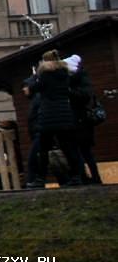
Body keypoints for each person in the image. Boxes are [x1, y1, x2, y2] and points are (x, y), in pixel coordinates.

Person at [26, 50, 83, 188]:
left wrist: (34, 78)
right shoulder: (65, 75)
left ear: (45, 62)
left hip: (49, 117)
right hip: (65, 115)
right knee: (68, 148)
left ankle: (40, 179)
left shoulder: (45, 75)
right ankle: (76, 176)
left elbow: (32, 89)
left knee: (44, 149)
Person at [67, 55, 103, 185]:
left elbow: (83, 97)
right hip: (80, 121)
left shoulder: (78, 82)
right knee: (83, 152)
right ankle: (88, 177)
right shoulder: (81, 79)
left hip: (81, 121)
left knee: (84, 152)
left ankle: (92, 177)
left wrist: (69, 92)